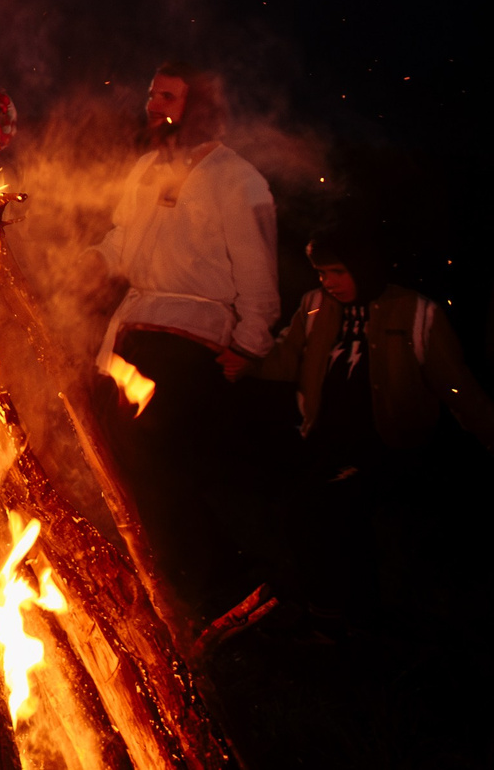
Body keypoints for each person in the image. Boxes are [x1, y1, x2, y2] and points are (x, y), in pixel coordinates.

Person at [88, 61, 278, 612]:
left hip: (191, 337)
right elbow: (124, 241)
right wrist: (94, 260)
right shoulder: (147, 168)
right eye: (152, 94)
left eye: (167, 97)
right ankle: (155, 578)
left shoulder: (238, 179)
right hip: (133, 330)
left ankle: (225, 586)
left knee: (154, 452)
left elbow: (257, 268)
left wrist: (250, 341)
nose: (153, 106)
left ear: (199, 108)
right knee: (112, 452)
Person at [261, 223, 494, 615]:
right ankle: (328, 610)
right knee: (301, 514)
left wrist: (487, 432)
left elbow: (457, 386)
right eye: (321, 272)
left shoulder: (416, 313)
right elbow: (285, 358)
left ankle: (356, 616)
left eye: (338, 271)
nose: (328, 281)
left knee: (326, 511)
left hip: (386, 445)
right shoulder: (317, 306)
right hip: (328, 443)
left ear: (363, 267)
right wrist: (235, 359)